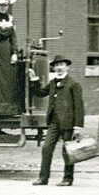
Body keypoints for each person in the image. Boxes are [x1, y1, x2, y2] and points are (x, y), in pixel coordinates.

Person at [31, 56, 85, 186]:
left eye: (62, 65)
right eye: (56, 65)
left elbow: (79, 106)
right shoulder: (53, 83)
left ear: (67, 67)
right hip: (54, 123)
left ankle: (67, 179)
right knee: (46, 148)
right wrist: (34, 79)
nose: (59, 67)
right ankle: (43, 178)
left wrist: (78, 126)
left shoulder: (74, 84)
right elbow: (39, 93)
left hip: (68, 123)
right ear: (53, 68)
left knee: (68, 151)